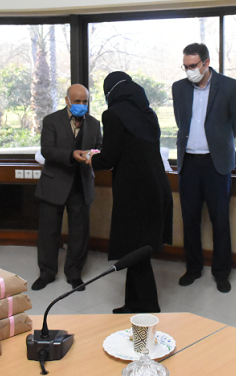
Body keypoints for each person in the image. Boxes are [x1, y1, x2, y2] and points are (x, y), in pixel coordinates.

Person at [87, 72, 173, 313]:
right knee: (138, 247)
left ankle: (149, 305)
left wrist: (90, 158)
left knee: (136, 248)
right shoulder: (148, 114)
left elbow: (109, 158)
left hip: (135, 193)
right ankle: (133, 303)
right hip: (157, 188)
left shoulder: (113, 114)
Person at [172, 43, 236, 293]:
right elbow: (181, 121)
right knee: (190, 219)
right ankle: (193, 268)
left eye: (193, 66)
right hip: (189, 163)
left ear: (206, 63)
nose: (189, 71)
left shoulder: (229, 86)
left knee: (220, 220)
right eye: (185, 66)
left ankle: (221, 272)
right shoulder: (179, 88)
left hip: (217, 164)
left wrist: (219, 141)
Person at [32, 84, 103, 291]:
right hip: (54, 184)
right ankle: (46, 273)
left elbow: (100, 147)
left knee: (79, 233)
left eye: (85, 101)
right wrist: (71, 155)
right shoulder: (51, 121)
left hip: (81, 185)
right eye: (77, 101)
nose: (82, 105)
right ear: (67, 101)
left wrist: (94, 155)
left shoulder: (94, 124)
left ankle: (74, 274)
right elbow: (47, 150)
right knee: (48, 232)